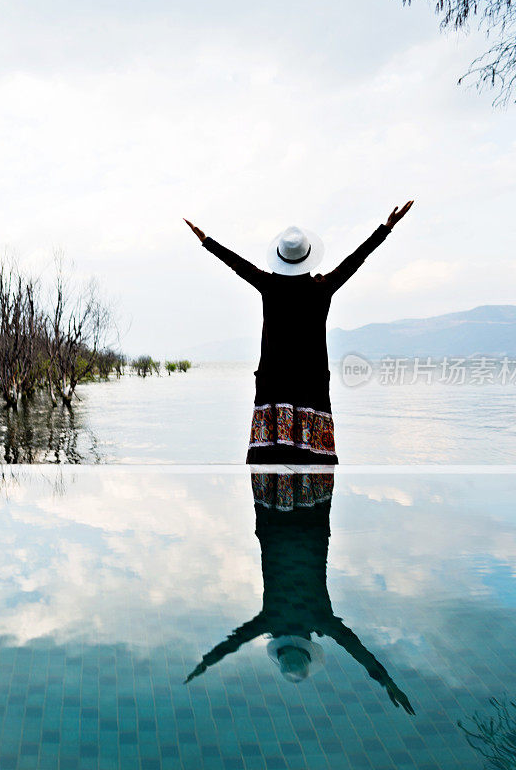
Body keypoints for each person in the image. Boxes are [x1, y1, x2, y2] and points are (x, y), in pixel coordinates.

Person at [184, 202, 414, 464]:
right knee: (313, 458)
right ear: (307, 256)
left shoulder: (269, 285)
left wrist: (207, 241)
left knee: (269, 458)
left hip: (274, 380)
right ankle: (311, 498)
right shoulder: (322, 287)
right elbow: (356, 260)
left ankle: (271, 498)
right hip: (311, 381)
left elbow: (237, 264)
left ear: (280, 257)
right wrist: (386, 228)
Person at [184, 470, 415, 715]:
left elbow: (356, 649)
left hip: (310, 527)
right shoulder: (272, 620)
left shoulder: (319, 621)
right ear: (281, 646)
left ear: (308, 646)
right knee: (286, 458)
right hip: (275, 524)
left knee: (303, 460)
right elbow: (232, 643)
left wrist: (386, 680)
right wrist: (205, 663)